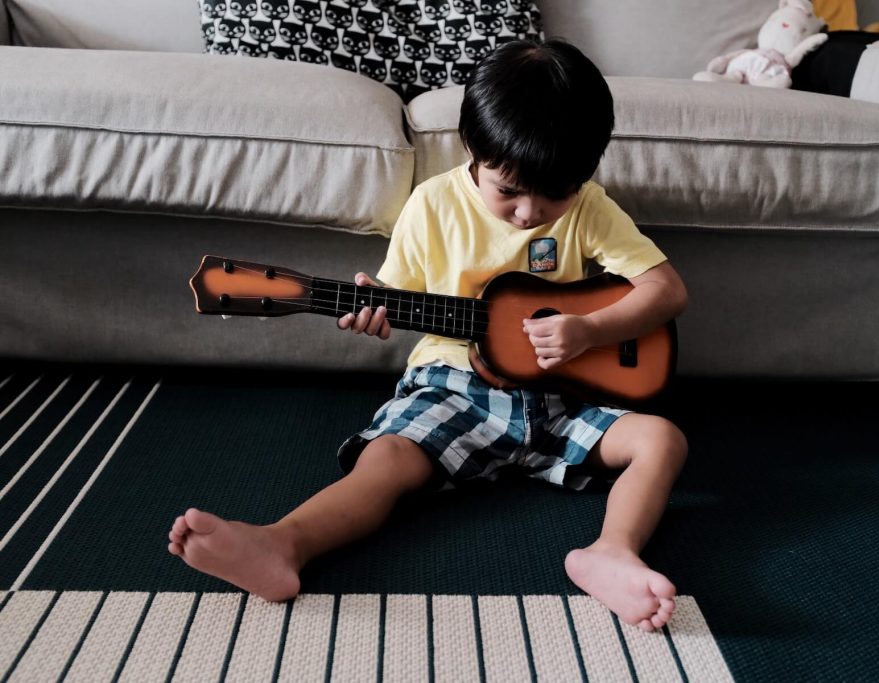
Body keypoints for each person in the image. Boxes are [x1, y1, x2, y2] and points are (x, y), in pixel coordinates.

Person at [168, 38, 689, 632]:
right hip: (455, 387)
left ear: (586, 172)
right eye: (509, 191)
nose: (529, 213)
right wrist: (373, 308)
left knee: (662, 441)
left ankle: (613, 551)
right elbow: (395, 294)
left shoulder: (589, 207)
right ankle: (281, 544)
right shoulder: (432, 205)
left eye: (555, 193)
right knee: (385, 458)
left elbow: (666, 291)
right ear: (475, 149)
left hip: (559, 396)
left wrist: (589, 329)